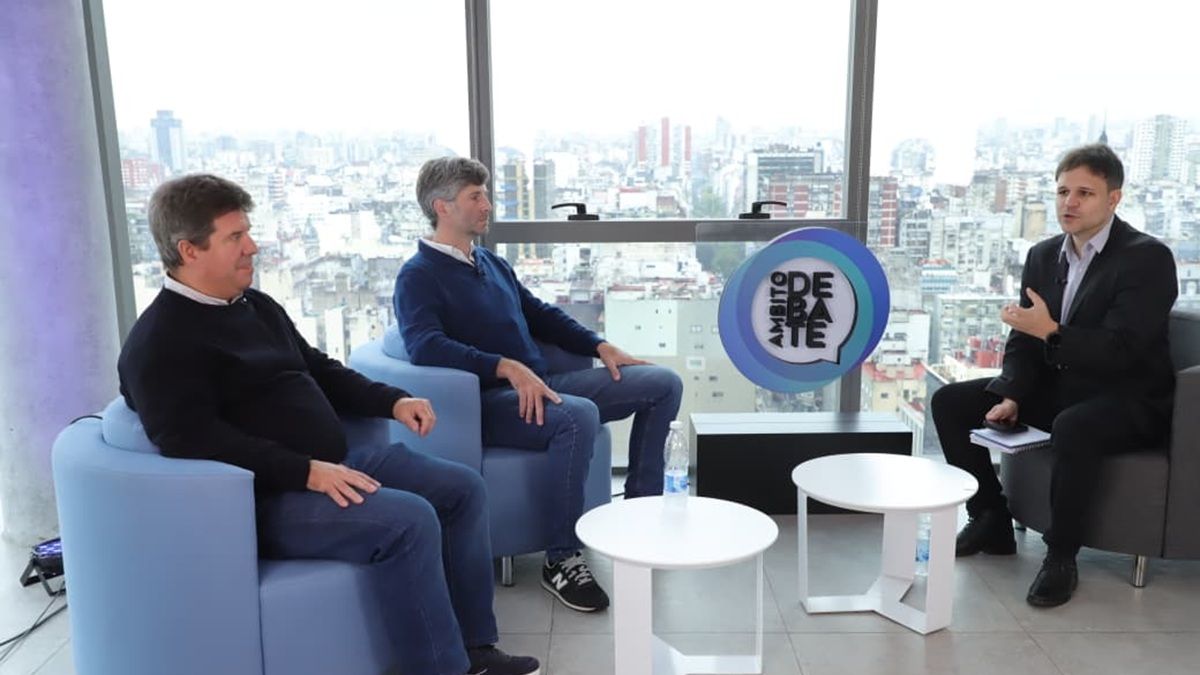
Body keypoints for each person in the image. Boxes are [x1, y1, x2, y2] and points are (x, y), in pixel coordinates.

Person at [118, 174, 539, 675]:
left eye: (247, 232)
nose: (252, 247)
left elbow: (319, 369)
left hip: (335, 464)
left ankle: (476, 650)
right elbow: (192, 440)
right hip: (269, 498)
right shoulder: (158, 344)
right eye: (235, 237)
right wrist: (305, 471)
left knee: (462, 489)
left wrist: (392, 401)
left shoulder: (255, 305)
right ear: (189, 250)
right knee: (408, 521)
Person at [393, 157, 684, 613]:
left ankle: (640, 516)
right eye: (475, 196)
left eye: (486, 194)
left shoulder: (489, 262)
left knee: (663, 383)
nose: (487, 205)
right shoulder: (417, 275)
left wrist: (600, 345)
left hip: (544, 384)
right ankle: (561, 558)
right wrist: (504, 367)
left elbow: (541, 315)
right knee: (577, 416)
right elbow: (425, 346)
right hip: (488, 403)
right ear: (442, 207)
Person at [931, 143, 1177, 607]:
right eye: (1063, 191)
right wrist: (1012, 393)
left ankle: (1061, 556)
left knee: (1074, 425)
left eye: (1085, 193)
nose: (1070, 203)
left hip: (1128, 398)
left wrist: (1052, 331)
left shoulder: (1147, 258)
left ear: (1114, 199)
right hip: (1063, 388)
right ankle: (991, 519)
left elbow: (1121, 350)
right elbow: (1024, 340)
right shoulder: (1043, 255)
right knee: (951, 402)